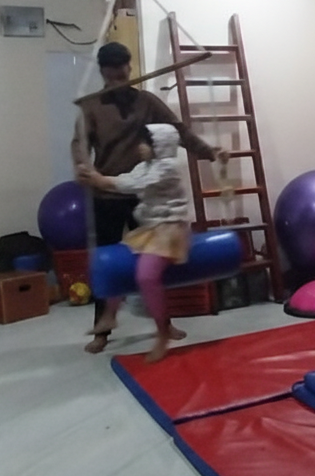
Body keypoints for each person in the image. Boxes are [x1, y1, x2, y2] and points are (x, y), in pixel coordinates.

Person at [72, 41, 227, 354]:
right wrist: (83, 167)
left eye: (122, 71)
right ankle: (103, 329)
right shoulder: (91, 106)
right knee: (107, 264)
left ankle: (164, 325)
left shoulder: (147, 102)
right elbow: (80, 144)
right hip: (107, 195)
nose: (118, 77)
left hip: (146, 198)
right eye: (111, 72)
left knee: (155, 264)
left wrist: (210, 152)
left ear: (129, 68)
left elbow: (179, 132)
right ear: (103, 72)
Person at [76, 124, 191, 362]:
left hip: (170, 230)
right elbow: (127, 178)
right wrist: (96, 179)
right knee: (121, 266)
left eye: (145, 143)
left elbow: (135, 185)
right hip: (152, 228)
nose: (139, 147)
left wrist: (99, 180)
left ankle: (162, 333)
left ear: (159, 146)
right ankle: (110, 315)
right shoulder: (144, 166)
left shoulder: (167, 167)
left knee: (147, 277)